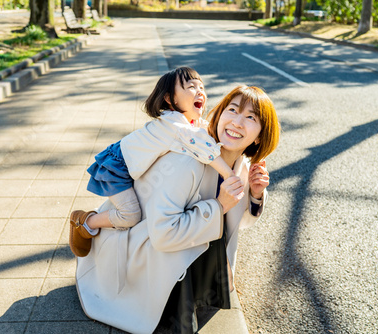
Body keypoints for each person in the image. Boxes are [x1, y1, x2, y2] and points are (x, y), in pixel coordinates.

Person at [75, 85, 280, 334]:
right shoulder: (187, 159)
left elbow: (239, 221)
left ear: (259, 136)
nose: (237, 122)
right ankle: (87, 223)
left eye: (251, 117)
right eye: (233, 110)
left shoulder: (241, 164)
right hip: (138, 245)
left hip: (167, 241)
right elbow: (162, 234)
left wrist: (256, 194)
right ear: (219, 114)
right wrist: (218, 206)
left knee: (209, 233)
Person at [69, 67, 235, 258]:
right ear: (170, 99)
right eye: (191, 87)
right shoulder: (174, 124)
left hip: (123, 163)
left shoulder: (186, 123)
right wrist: (229, 175)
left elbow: (205, 131)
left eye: (202, 87)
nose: (199, 92)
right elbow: (205, 148)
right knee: (130, 216)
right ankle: (85, 222)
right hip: (116, 166)